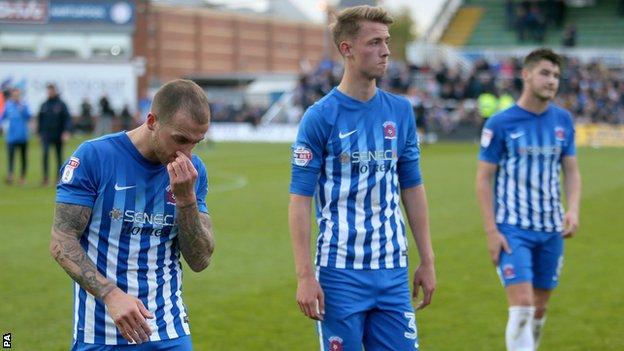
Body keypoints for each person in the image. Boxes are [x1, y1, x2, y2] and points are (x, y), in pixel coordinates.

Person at [289, 6, 436, 351]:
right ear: (347, 49)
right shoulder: (319, 118)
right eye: (374, 42)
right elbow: (299, 201)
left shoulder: (400, 112)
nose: (385, 51)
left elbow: (412, 189)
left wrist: (427, 260)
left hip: (392, 269)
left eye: (385, 41)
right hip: (340, 274)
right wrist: (304, 275)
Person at [49, 79, 215, 350]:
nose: (187, 153)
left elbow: (200, 260)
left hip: (169, 332)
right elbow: (61, 241)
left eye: (196, 142)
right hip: (101, 333)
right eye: (181, 140)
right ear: (152, 121)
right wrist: (111, 295)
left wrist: (186, 200)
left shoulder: (194, 172)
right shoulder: (95, 157)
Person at [476, 48, 581, 351]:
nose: (552, 81)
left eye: (557, 76)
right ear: (526, 74)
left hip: (551, 230)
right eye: (545, 73)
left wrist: (572, 209)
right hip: (512, 230)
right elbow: (483, 179)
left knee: (538, 310)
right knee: (521, 306)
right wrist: (491, 231)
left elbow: (572, 171)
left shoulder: (563, 120)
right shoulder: (500, 123)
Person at [38, 83, 71, 186]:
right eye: (48, 90)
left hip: (58, 134)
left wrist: (66, 131)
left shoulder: (61, 104)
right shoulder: (44, 105)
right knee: (45, 155)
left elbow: (67, 119)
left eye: (51, 90)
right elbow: (40, 120)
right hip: (46, 135)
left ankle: (59, 177)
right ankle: (45, 178)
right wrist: (39, 133)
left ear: (55, 91)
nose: (50, 92)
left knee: (59, 157)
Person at [1, 88, 31, 184]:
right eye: (14, 95)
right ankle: (10, 175)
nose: (16, 97)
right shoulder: (8, 105)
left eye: (17, 95)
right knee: (11, 157)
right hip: (11, 137)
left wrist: (23, 110)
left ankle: (22, 177)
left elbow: (28, 116)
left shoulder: (24, 105)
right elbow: (2, 117)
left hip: (22, 136)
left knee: (23, 158)